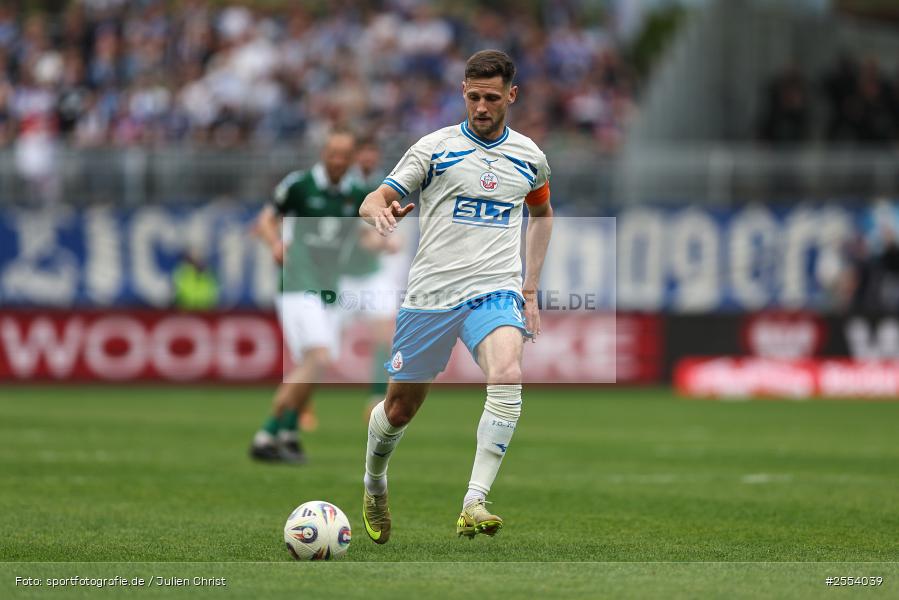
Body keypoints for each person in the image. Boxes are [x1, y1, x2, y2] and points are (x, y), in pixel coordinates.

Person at [357, 50, 553, 542]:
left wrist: (528, 287)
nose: (481, 107)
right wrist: (376, 212)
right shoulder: (434, 148)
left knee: (507, 372)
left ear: (512, 95)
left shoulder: (529, 157)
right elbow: (375, 196)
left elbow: (543, 214)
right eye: (472, 97)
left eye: (491, 98)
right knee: (399, 410)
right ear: (462, 94)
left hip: (495, 290)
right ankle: (374, 481)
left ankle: (474, 500)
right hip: (432, 293)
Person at [249, 129, 369, 464]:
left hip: (330, 288)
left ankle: (287, 433)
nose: (337, 160)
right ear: (323, 152)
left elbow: (363, 236)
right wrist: (273, 242)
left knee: (314, 365)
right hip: (298, 284)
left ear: (351, 158)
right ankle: (267, 434)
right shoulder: (299, 186)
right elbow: (266, 219)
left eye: (344, 155)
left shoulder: (357, 193)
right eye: (332, 153)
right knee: (318, 356)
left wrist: (384, 240)